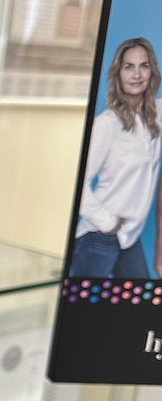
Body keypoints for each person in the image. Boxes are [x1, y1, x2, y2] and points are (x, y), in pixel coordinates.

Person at [71, 37, 162, 278]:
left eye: (144, 66)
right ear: (118, 73)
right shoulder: (106, 124)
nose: (137, 74)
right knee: (86, 303)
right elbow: (75, 181)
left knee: (141, 300)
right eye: (128, 67)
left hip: (129, 238)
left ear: (152, 71)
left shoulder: (157, 115)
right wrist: (107, 223)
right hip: (98, 238)